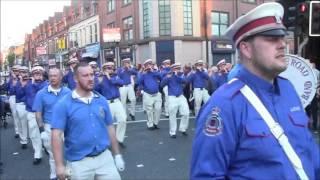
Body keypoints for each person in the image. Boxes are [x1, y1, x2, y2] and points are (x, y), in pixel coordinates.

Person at [191, 2, 320, 179]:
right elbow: (207, 175)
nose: (282, 44)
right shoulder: (224, 105)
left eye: (282, 37)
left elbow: (310, 153)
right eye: (272, 38)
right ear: (246, 49)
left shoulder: (288, 89)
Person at [51, 62, 124, 180]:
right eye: (85, 76)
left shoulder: (101, 100)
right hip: (79, 163)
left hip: (104, 158)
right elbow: (56, 135)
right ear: (75, 78)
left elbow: (110, 128)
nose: (90, 79)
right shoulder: (63, 104)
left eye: (92, 74)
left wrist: (117, 155)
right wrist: (59, 165)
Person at [33, 68, 71, 179]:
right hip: (51, 127)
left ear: (61, 77)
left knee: (69, 152)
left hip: (67, 127)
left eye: (55, 76)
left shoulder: (68, 92)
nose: (52, 78)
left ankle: (67, 175)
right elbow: (38, 113)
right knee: (53, 154)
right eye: (50, 76)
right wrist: (42, 131)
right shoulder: (41, 93)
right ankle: (54, 175)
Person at [97, 62, 127, 148]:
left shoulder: (115, 76)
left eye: (111, 68)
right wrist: (99, 81)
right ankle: (108, 142)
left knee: (123, 119)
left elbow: (121, 83)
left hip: (117, 101)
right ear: (104, 69)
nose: (110, 70)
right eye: (107, 68)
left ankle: (119, 140)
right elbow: (95, 90)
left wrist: (109, 77)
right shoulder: (100, 78)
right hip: (106, 103)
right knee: (107, 124)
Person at [23, 65, 48, 165]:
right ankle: (37, 154)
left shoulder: (46, 84)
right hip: (31, 112)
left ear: (42, 74)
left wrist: (33, 84)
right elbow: (26, 95)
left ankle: (46, 147)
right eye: (35, 73)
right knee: (34, 135)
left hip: (43, 114)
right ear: (32, 74)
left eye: (39, 73)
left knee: (46, 134)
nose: (37, 75)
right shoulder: (28, 84)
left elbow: (40, 92)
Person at [161, 63, 190, 138]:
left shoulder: (180, 75)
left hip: (181, 96)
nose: (178, 70)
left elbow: (185, 81)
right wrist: (167, 77)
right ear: (173, 69)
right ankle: (173, 132)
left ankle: (182, 128)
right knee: (172, 115)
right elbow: (161, 85)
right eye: (176, 69)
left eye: (178, 68)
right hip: (172, 97)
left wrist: (177, 76)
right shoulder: (168, 76)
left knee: (186, 113)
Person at [138, 59, 162, 130]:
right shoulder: (143, 74)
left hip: (157, 94)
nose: (149, 66)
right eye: (147, 65)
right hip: (148, 94)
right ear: (145, 66)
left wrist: (153, 71)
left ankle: (155, 123)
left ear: (152, 65)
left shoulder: (155, 72)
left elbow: (161, 77)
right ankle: (150, 124)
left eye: (150, 64)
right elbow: (139, 82)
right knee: (149, 111)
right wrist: (143, 73)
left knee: (158, 109)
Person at [6, 65, 21, 138]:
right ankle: (17, 131)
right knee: (15, 115)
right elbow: (9, 89)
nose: (16, 72)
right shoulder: (10, 79)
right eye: (14, 71)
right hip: (13, 97)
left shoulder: (22, 78)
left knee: (22, 116)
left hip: (21, 98)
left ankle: (23, 132)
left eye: (17, 70)